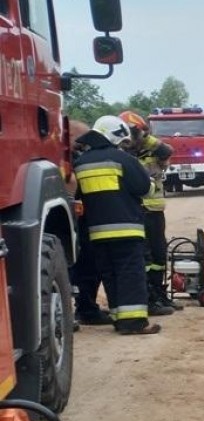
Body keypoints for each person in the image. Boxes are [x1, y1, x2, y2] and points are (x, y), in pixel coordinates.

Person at [73, 116, 161, 335]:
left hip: (96, 234)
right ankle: (134, 323)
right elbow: (143, 188)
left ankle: (118, 318)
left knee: (110, 273)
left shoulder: (81, 163)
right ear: (117, 136)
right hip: (127, 229)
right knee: (130, 273)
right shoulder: (122, 160)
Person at [120, 111, 177, 314]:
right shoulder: (122, 154)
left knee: (160, 256)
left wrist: (144, 136)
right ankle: (147, 299)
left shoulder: (152, 150)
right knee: (145, 259)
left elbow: (167, 151)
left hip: (155, 212)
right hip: (136, 212)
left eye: (139, 132)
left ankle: (159, 294)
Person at [66, 119, 113, 326]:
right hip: (78, 223)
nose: (85, 145)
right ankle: (85, 309)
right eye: (81, 140)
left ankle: (86, 307)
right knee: (85, 267)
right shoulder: (67, 162)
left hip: (84, 220)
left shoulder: (76, 159)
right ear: (67, 137)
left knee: (90, 267)